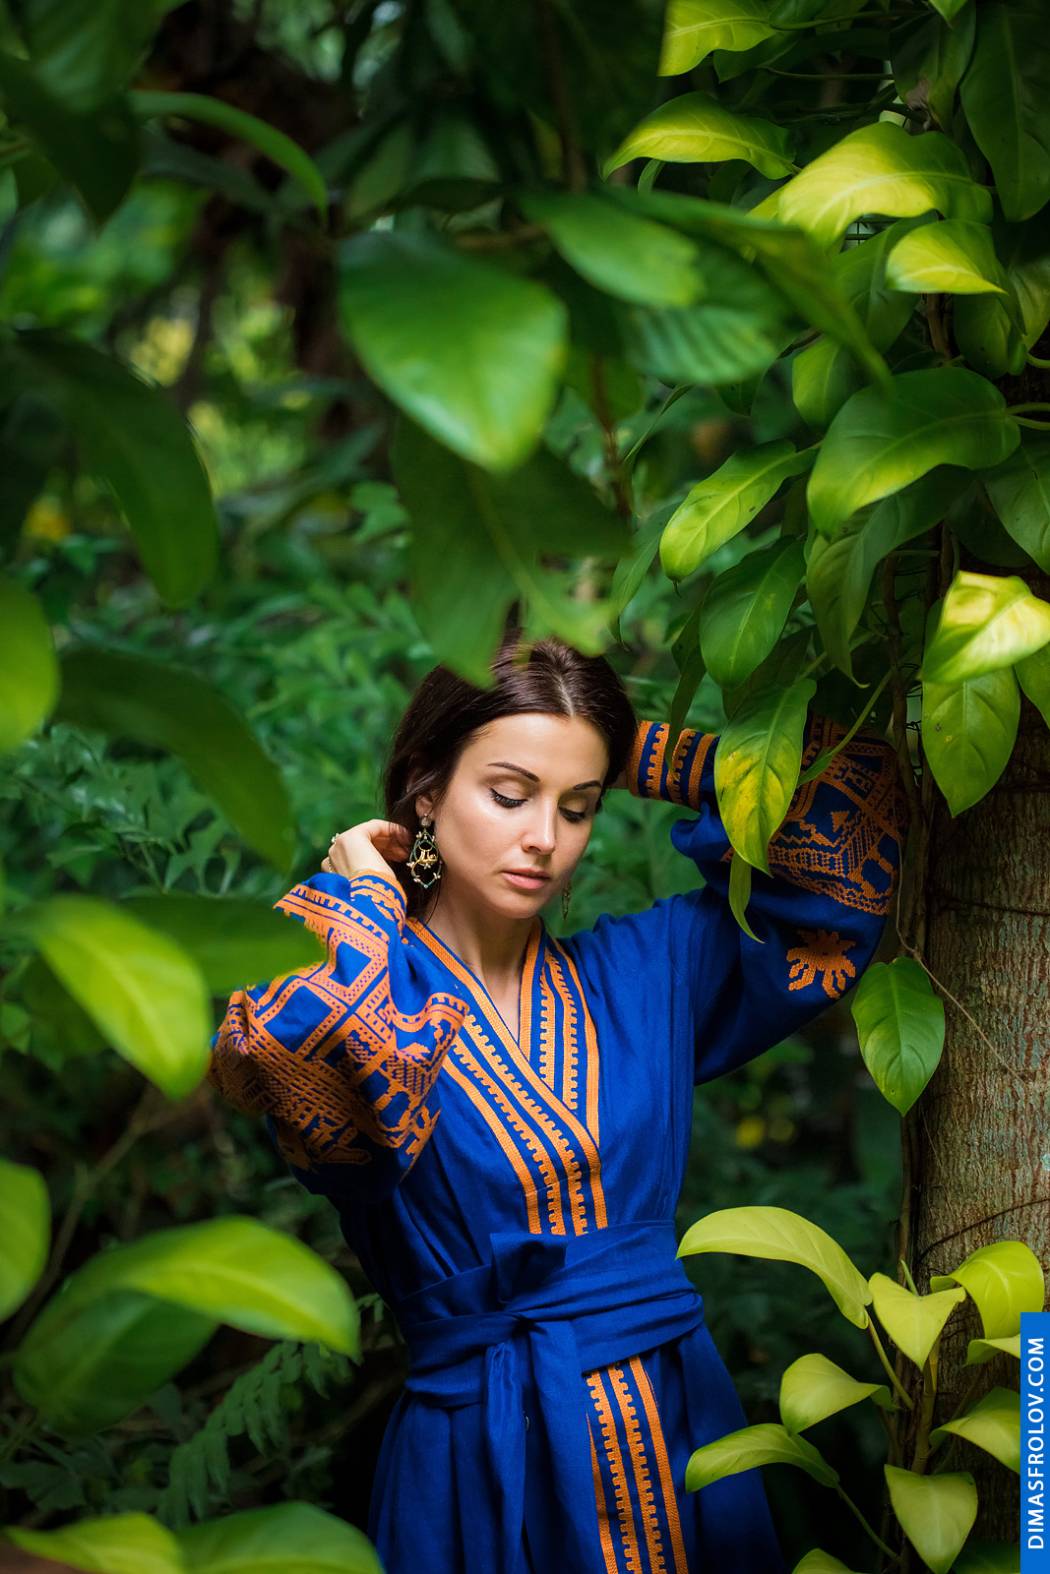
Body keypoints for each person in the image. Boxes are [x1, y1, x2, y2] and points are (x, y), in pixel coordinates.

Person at [207, 623, 908, 1574]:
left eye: (578, 806)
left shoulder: (646, 972)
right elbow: (304, 1076)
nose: (544, 837)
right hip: (480, 1456)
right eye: (508, 793)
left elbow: (846, 837)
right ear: (427, 787)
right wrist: (369, 894)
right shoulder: (361, 981)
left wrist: (631, 746)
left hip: (678, 1424)